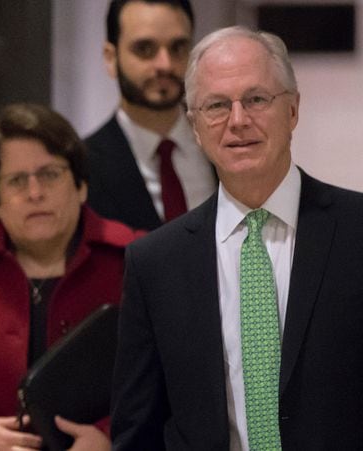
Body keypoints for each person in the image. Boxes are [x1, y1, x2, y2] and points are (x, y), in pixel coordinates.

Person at [111, 26, 363, 450]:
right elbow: (138, 430)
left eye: (256, 99)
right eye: (216, 106)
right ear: (194, 126)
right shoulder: (155, 263)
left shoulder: (357, 232)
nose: (238, 120)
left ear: (294, 110)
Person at [0, 103, 142, 450]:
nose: (35, 192)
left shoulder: (138, 260)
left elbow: (170, 384)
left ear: (81, 185)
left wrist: (110, 439)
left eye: (50, 174)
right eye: (16, 181)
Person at [85, 0, 216, 231]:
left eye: (178, 48)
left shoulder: (223, 145)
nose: (164, 64)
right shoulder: (81, 166)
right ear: (111, 58)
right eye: (145, 49)